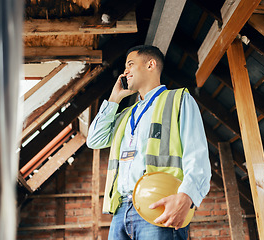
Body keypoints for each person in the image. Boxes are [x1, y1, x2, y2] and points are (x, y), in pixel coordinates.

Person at [87, 45, 211, 240]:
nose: (125, 71)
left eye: (130, 64)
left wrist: (186, 198)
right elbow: (94, 140)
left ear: (151, 64)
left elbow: (197, 155)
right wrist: (114, 98)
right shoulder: (126, 115)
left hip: (160, 206)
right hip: (121, 212)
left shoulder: (178, 100)